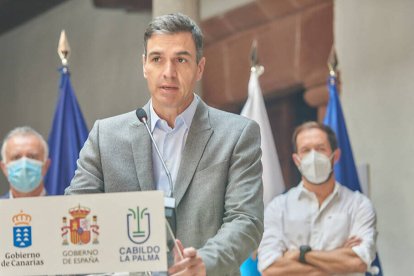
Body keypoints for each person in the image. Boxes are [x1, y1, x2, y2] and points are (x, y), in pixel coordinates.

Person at [65, 13, 263, 275]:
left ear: (199, 68)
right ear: (144, 65)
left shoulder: (237, 134)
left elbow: (246, 220)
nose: (169, 72)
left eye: (181, 60)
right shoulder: (106, 136)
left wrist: (204, 261)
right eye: (157, 59)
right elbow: (75, 216)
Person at [258, 122, 377, 276]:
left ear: (336, 156)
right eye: (305, 150)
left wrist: (299, 254)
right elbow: (270, 269)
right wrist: (339, 257)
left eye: (321, 149)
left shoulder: (359, 205)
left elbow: (358, 263)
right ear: (296, 160)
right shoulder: (277, 208)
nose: (313, 156)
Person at [0, 126, 50, 199]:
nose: (24, 165)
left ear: (46, 166)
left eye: (32, 157)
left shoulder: (63, 209)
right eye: (16, 157)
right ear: (4, 168)